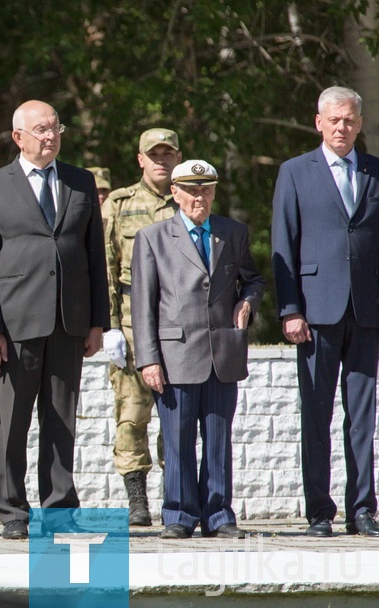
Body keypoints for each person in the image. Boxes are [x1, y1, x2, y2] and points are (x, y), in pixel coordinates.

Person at [0, 100, 108, 540]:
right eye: (40, 130)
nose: (50, 136)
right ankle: (13, 510)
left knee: (61, 420)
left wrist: (97, 322)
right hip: (15, 325)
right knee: (13, 423)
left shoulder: (80, 181)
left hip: (69, 322)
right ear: (18, 137)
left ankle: (59, 508)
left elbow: (94, 257)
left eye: (55, 128)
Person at [132, 160, 264, 539]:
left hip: (223, 353)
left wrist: (248, 301)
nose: (199, 197)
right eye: (191, 190)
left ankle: (219, 515)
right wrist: (148, 359)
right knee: (177, 439)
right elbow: (142, 305)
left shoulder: (232, 232)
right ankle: (179, 515)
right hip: (175, 355)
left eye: (206, 189)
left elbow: (252, 279)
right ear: (174, 193)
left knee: (219, 438)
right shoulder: (153, 238)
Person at [272, 86, 379, 538]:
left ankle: (363, 509)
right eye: (334, 120)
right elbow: (283, 243)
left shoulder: (375, 172)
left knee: (363, 415)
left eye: (350, 120)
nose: (342, 127)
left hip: (367, 312)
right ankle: (319, 510)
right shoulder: (295, 172)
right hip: (316, 313)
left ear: (359, 124)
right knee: (316, 414)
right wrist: (290, 309)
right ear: (319, 122)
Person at [100, 128, 181, 526]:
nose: (161, 161)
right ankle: (137, 501)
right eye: (154, 155)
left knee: (177, 419)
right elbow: (107, 267)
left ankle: (176, 498)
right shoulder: (120, 203)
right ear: (141, 159)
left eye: (168, 154)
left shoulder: (189, 198)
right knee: (132, 416)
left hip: (179, 321)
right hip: (132, 321)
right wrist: (109, 326)